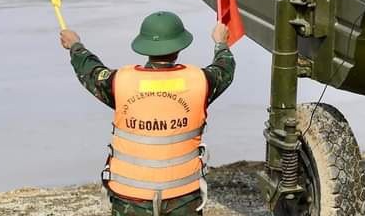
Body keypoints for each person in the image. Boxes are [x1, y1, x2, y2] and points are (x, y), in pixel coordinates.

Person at [60, 11, 235, 216]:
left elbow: (91, 71)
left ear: (144, 46)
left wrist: (75, 45)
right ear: (179, 47)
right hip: (183, 195)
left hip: (130, 195)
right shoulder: (201, 82)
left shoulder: (120, 82)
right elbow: (225, 67)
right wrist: (221, 43)